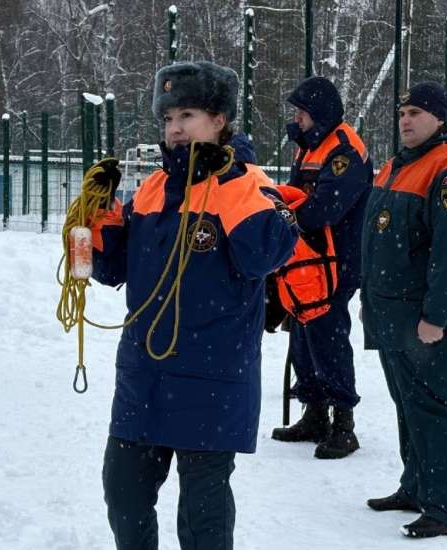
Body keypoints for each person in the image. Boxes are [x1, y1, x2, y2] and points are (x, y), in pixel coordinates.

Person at [92, 61, 299, 549]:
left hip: (212, 374)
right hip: (144, 372)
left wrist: (227, 191)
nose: (175, 129)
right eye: (167, 118)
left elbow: (268, 254)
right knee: (123, 493)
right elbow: (111, 270)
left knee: (202, 514)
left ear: (219, 120)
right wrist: (97, 219)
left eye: (187, 114)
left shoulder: (246, 182)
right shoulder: (152, 188)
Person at [361, 81, 447, 538]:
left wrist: (436, 316)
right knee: (408, 405)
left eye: (415, 112)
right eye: (401, 113)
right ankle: (413, 486)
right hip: (393, 316)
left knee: (434, 408)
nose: (405, 120)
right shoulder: (397, 165)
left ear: (439, 118)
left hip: (426, 322)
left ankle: (440, 507)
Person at [269, 76, 372, 459]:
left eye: (302, 112)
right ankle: (314, 412)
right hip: (305, 259)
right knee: (302, 332)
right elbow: (300, 198)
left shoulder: (344, 149)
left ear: (320, 114)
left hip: (335, 261)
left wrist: (284, 213)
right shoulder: (308, 146)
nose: (296, 119)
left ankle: (343, 422)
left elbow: (323, 208)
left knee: (327, 334)